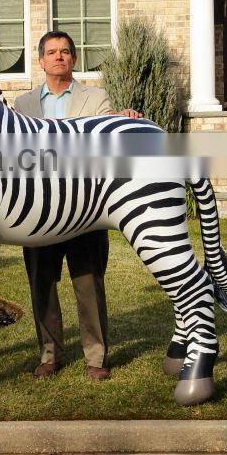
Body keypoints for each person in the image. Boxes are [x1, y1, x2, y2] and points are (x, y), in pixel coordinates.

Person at [13, 30, 141, 381]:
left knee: (88, 283)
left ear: (73, 59)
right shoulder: (21, 107)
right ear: (41, 61)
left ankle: (96, 359)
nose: (59, 57)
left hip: (85, 208)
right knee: (42, 283)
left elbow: (103, 141)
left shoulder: (96, 98)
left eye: (65, 51)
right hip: (39, 210)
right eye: (52, 52)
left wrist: (122, 119)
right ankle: (50, 353)